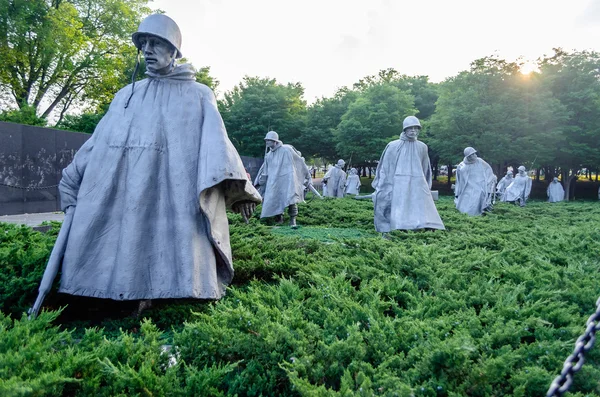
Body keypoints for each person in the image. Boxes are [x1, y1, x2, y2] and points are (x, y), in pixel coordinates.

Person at [31, 14, 261, 317]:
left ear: (174, 51)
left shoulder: (199, 95)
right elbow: (99, 142)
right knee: (131, 235)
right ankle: (124, 294)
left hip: (175, 192)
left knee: (171, 239)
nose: (149, 50)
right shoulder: (127, 96)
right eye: (144, 44)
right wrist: (72, 178)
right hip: (131, 188)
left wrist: (240, 192)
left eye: (157, 43)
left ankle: (163, 294)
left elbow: (218, 147)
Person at [372, 116, 444, 232]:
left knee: (420, 207)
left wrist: (426, 185)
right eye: (410, 128)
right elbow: (386, 168)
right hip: (398, 182)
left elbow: (425, 168)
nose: (413, 131)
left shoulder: (422, 147)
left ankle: (421, 227)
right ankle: (397, 229)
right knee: (399, 207)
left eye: (416, 128)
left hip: (418, 181)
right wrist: (385, 185)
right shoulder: (393, 146)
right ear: (404, 129)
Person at [254, 131, 311, 228]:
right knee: (275, 199)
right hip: (274, 181)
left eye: (269, 140)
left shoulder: (287, 150)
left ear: (275, 141)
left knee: (291, 199)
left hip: (288, 179)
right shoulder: (268, 155)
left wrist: (307, 175)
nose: (266, 142)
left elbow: (299, 161)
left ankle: (293, 220)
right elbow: (265, 170)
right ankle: (279, 218)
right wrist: (262, 181)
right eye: (266, 140)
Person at [454, 147, 496, 216]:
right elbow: (459, 180)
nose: (474, 155)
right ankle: (466, 214)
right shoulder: (462, 166)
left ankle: (476, 214)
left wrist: (492, 177)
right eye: (472, 155)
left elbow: (488, 170)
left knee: (479, 194)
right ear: (468, 157)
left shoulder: (480, 161)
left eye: (474, 154)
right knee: (466, 197)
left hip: (479, 185)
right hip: (467, 186)